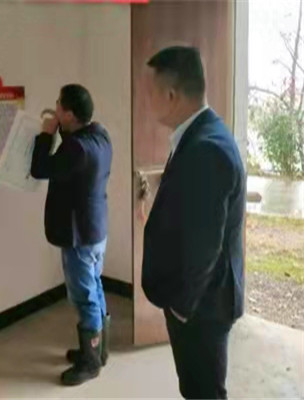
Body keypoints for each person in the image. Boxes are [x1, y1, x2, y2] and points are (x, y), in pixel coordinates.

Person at [141, 46, 246, 399]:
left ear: (171, 96)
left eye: (151, 92)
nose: (147, 100)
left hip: (202, 306)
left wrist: (182, 308)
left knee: (204, 392)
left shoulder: (206, 148)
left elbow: (206, 245)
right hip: (202, 299)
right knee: (196, 388)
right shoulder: (200, 133)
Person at [30, 84, 112, 386]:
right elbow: (73, 154)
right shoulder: (100, 135)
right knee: (95, 287)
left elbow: (40, 168)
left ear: (69, 114)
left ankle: (90, 363)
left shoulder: (75, 148)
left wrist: (46, 134)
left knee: (84, 296)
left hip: (79, 236)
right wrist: (61, 130)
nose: (55, 108)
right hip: (96, 229)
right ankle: (99, 351)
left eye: (58, 105)